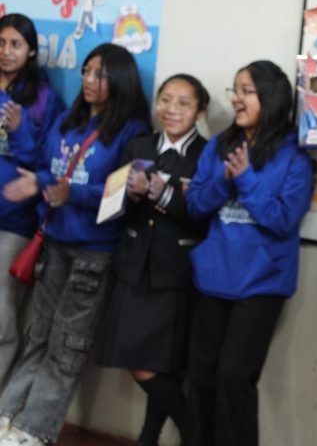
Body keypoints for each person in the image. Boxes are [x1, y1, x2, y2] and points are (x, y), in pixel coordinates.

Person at [0, 43, 150, 446]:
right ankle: (7, 416)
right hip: (55, 242)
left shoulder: (132, 131)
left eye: (99, 74)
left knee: (67, 345)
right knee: (39, 335)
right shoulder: (69, 119)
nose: (88, 80)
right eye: (86, 71)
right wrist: (23, 146)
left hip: (93, 253)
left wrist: (72, 193)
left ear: (120, 80)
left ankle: (33, 429)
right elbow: (45, 167)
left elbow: (121, 195)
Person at [185, 60, 314, 446]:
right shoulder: (218, 146)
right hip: (213, 276)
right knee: (201, 375)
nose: (237, 99)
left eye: (247, 91)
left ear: (270, 97)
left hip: (262, 283)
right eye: (235, 90)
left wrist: (245, 179)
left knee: (234, 378)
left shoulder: (296, 155)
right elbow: (194, 206)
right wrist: (225, 183)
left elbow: (283, 219)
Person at [95, 74, 209, 446]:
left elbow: (204, 214)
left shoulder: (206, 154)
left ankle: (154, 436)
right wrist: (128, 195)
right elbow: (112, 207)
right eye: (166, 100)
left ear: (200, 111)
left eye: (184, 103)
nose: (172, 110)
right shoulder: (139, 145)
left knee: (163, 364)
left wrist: (163, 194)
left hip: (176, 270)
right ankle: (192, 429)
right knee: (139, 360)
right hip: (133, 265)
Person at [0, 13, 64, 391]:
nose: (6, 51)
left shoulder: (43, 98)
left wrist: (19, 131)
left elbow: (47, 165)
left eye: (15, 44)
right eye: (1, 43)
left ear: (31, 51)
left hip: (15, 221)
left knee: (2, 317)